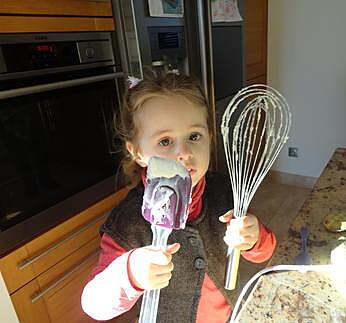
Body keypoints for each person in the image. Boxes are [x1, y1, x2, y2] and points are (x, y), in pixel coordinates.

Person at [81, 73, 277, 323]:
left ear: (210, 137)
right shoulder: (127, 222)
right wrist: (130, 273)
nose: (184, 152)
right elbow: (93, 305)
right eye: (165, 141)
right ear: (137, 152)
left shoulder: (227, 191)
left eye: (194, 136)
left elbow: (265, 253)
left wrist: (254, 237)